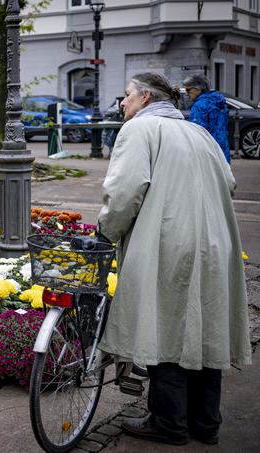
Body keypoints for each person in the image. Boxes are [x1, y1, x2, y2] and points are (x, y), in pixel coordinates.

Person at [98, 72, 251, 446]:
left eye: (127, 95)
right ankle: (205, 424)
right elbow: (228, 182)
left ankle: (169, 423)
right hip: (215, 241)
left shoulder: (139, 130)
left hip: (169, 240)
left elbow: (125, 192)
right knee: (204, 326)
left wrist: (106, 230)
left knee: (166, 325)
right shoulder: (198, 133)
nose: (122, 103)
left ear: (146, 98)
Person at [183, 74, 230, 163]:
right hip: (222, 146)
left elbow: (196, 132)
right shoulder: (218, 101)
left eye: (188, 90)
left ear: (198, 89)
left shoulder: (200, 106)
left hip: (208, 150)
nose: (186, 93)